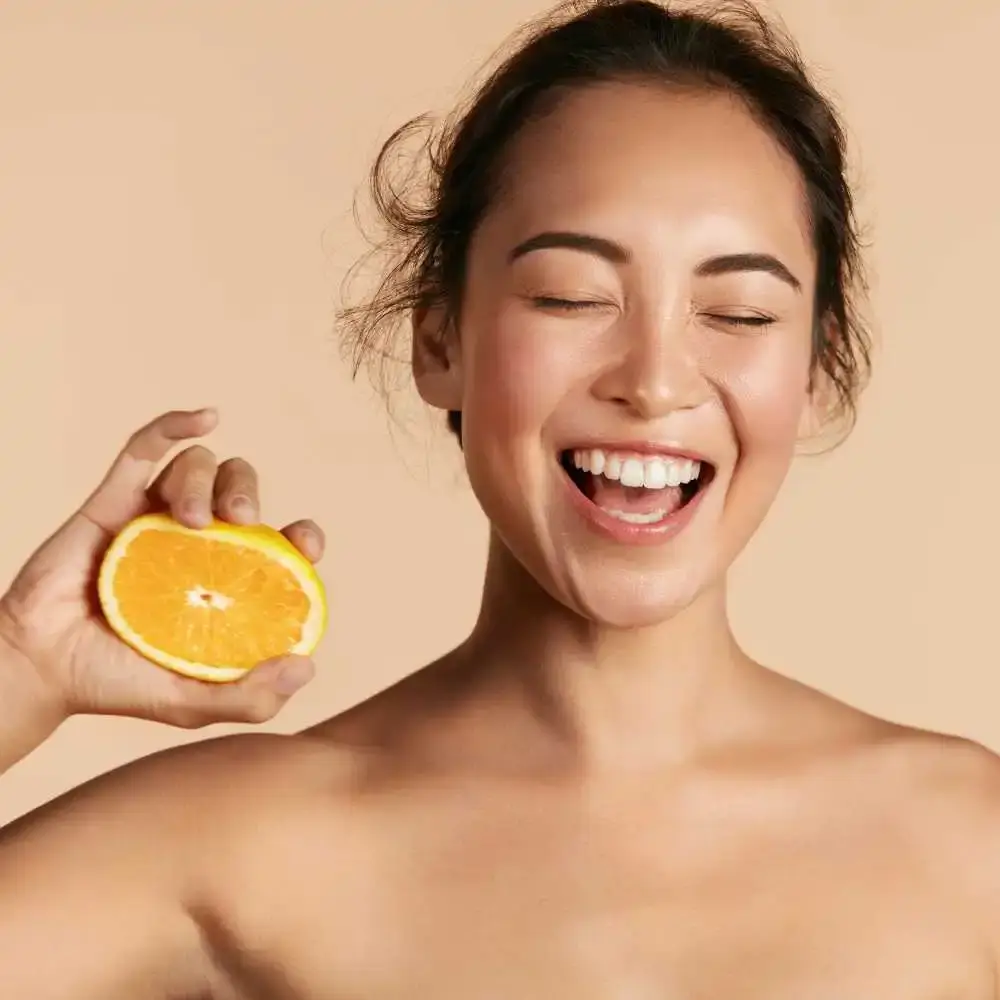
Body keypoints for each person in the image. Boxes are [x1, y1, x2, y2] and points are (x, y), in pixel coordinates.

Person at [1, 1, 999, 997]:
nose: (654, 382)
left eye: (738, 311)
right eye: (569, 295)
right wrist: (21, 665)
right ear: (440, 340)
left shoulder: (969, 843)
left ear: (816, 370)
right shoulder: (235, 848)